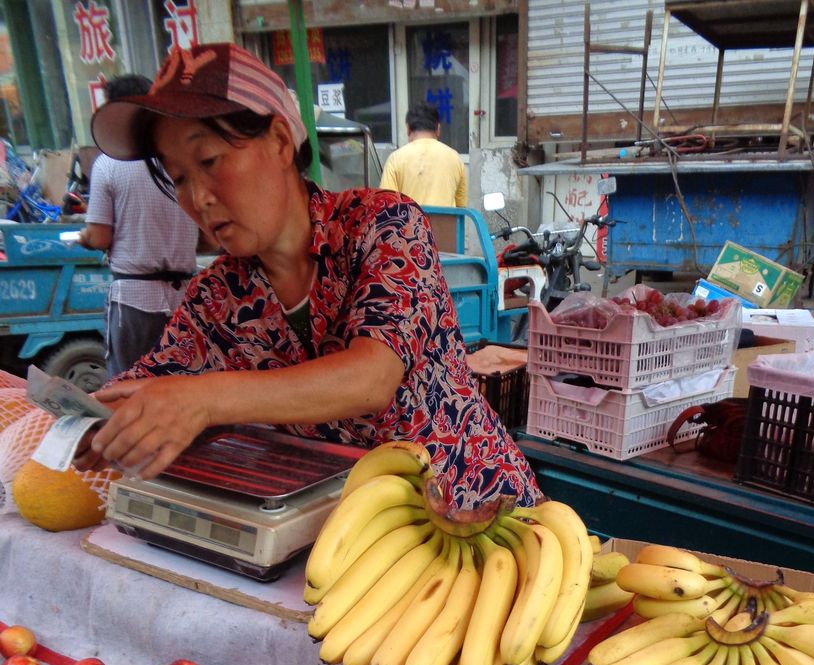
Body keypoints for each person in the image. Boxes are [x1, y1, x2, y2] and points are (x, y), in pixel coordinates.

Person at [81, 43, 538, 509]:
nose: (198, 197)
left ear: (280, 141)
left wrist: (204, 398)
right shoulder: (216, 299)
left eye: (210, 161)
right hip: (350, 540)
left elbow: (369, 379)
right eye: (178, 177)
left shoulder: (385, 225)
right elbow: (150, 387)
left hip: (480, 512)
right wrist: (86, 422)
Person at [79, 75, 199, 377]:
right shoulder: (179, 160)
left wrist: (84, 237)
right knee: (183, 386)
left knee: (128, 388)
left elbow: (99, 235)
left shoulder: (108, 164)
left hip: (134, 300)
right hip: (185, 296)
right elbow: (206, 238)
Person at [379, 102, 467, 209]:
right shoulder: (455, 158)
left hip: (410, 225)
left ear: (408, 130)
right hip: (445, 226)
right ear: (438, 129)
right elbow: (461, 206)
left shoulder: (395, 159)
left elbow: (387, 205)